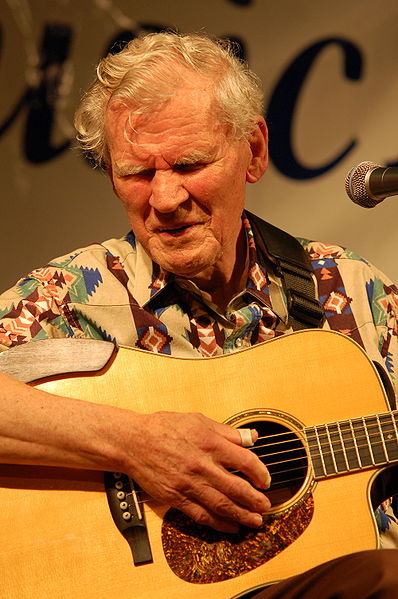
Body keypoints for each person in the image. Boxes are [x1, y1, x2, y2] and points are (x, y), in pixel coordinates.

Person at [0, 31, 397, 598]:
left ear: (254, 151)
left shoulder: (347, 288)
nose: (163, 199)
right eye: (136, 173)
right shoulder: (72, 294)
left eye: (189, 164)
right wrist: (134, 444)